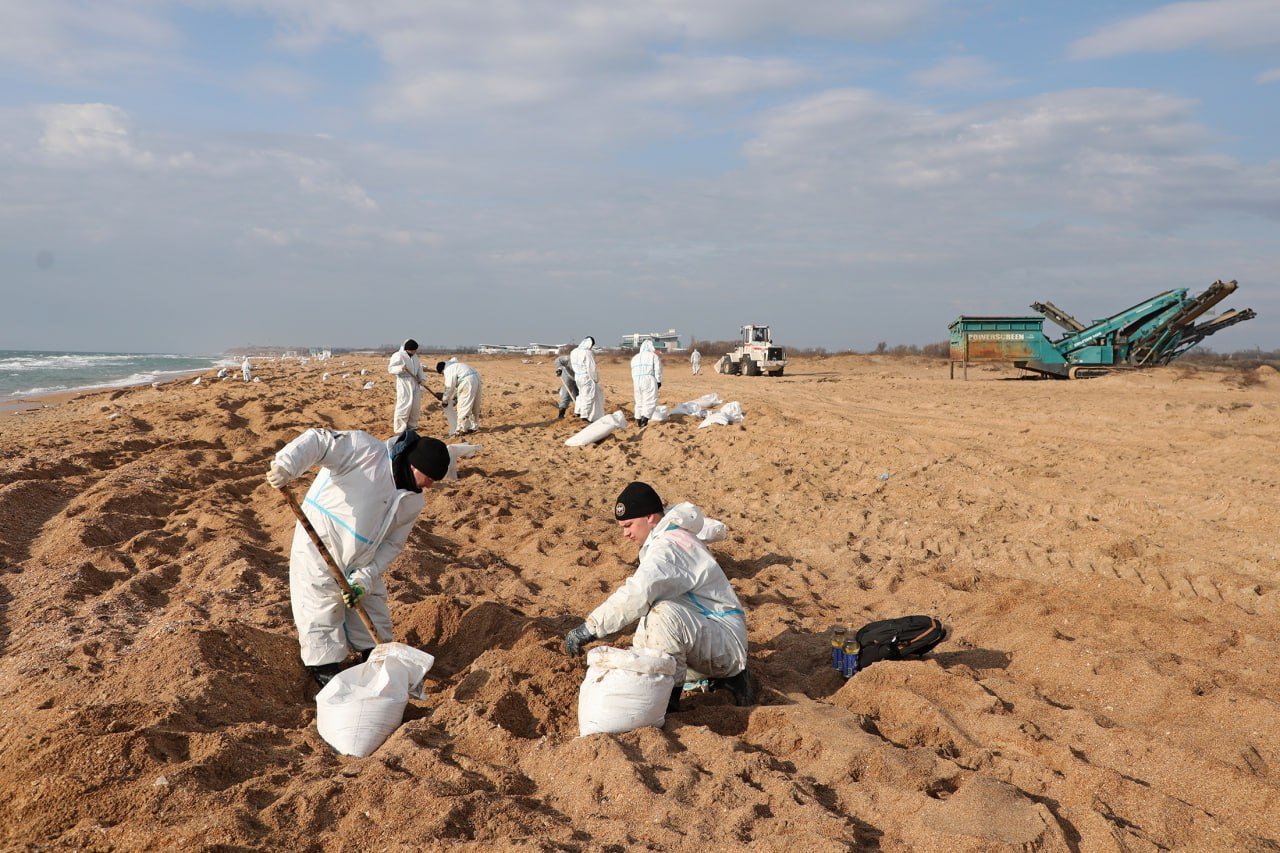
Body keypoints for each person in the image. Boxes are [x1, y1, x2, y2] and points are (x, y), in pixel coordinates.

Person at [266, 427, 450, 687]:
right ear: (413, 465)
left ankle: (373, 659)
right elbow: (320, 441)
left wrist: (363, 579)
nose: (430, 485)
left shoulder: (413, 501)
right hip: (322, 542)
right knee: (321, 607)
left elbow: (392, 545)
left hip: (364, 557)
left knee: (373, 611)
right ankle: (325, 669)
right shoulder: (364, 450)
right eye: (429, 476)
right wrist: (286, 466)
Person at [563, 482, 753, 713]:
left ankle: (671, 701)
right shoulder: (668, 533)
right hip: (711, 632)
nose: (625, 533)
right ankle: (683, 684)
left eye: (629, 525)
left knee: (663, 616)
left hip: (726, 644)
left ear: (651, 517)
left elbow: (638, 592)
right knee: (648, 631)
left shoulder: (669, 548)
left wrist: (590, 628)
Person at [388, 339, 428, 434]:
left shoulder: (415, 357)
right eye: (413, 350)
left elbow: (419, 369)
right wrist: (401, 368)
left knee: (415, 407)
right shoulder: (398, 355)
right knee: (404, 405)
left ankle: (412, 427)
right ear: (408, 349)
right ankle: (400, 429)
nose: (415, 352)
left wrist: (422, 379)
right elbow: (391, 369)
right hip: (404, 382)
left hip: (415, 383)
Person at [436, 358, 483, 435]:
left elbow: (449, 387)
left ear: (442, 371)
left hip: (467, 382)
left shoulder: (448, 370)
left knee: (463, 406)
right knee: (475, 405)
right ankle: (473, 427)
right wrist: (455, 398)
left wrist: (445, 400)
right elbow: (457, 388)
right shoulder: (456, 366)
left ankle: (461, 429)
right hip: (476, 378)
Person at [570, 336, 603, 422]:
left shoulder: (574, 351)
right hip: (586, 378)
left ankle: (578, 411)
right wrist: (596, 379)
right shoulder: (587, 353)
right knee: (588, 396)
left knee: (581, 395)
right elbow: (591, 368)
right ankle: (584, 416)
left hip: (577, 376)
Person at [630, 339, 662, 427]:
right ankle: (644, 421)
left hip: (636, 381)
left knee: (639, 401)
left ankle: (639, 421)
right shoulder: (653, 356)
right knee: (650, 401)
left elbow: (632, 372)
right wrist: (658, 381)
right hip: (648, 379)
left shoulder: (635, 358)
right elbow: (658, 369)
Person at [554, 354, 578, 419]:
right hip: (567, 376)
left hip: (579, 378)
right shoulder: (569, 358)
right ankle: (561, 414)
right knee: (566, 394)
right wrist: (559, 369)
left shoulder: (586, 361)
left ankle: (579, 412)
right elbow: (558, 360)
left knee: (579, 395)